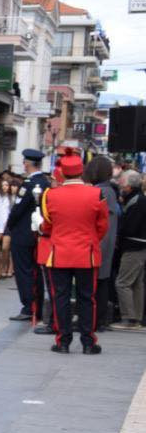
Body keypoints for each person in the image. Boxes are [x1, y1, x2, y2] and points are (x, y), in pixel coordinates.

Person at [40, 150, 109, 354]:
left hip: (59, 253)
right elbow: (102, 225)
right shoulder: (97, 193)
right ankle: (88, 342)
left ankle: (63, 341)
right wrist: (91, 239)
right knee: (87, 298)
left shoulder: (51, 195)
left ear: (63, 172)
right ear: (81, 172)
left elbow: (47, 226)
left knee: (60, 297)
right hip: (86, 253)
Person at [8, 149, 50, 321]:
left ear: (27, 163)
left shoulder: (29, 184)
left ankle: (29, 306)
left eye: (24, 162)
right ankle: (36, 305)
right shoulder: (45, 182)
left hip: (23, 233)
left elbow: (18, 210)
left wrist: (9, 226)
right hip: (36, 232)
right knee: (34, 270)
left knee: (24, 270)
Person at [85, 156, 120, 329]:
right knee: (101, 282)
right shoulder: (108, 190)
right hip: (105, 243)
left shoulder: (103, 192)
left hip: (100, 244)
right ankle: (97, 319)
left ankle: (96, 319)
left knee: (98, 283)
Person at [115, 170, 145, 330]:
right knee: (137, 283)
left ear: (129, 185)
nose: (120, 185)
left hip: (133, 246)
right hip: (141, 246)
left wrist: (119, 233)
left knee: (123, 282)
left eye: (122, 183)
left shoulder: (136, 202)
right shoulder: (138, 199)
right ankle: (137, 318)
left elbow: (130, 227)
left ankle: (128, 318)